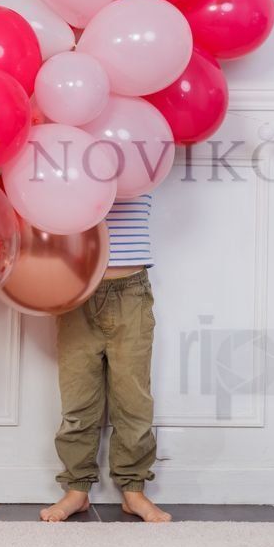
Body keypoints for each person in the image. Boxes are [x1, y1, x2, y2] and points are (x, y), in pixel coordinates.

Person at [40, 193, 171, 523]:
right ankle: (76, 488)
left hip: (130, 292)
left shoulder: (138, 149)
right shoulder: (72, 153)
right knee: (78, 397)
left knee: (133, 399)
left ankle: (133, 490)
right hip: (76, 288)